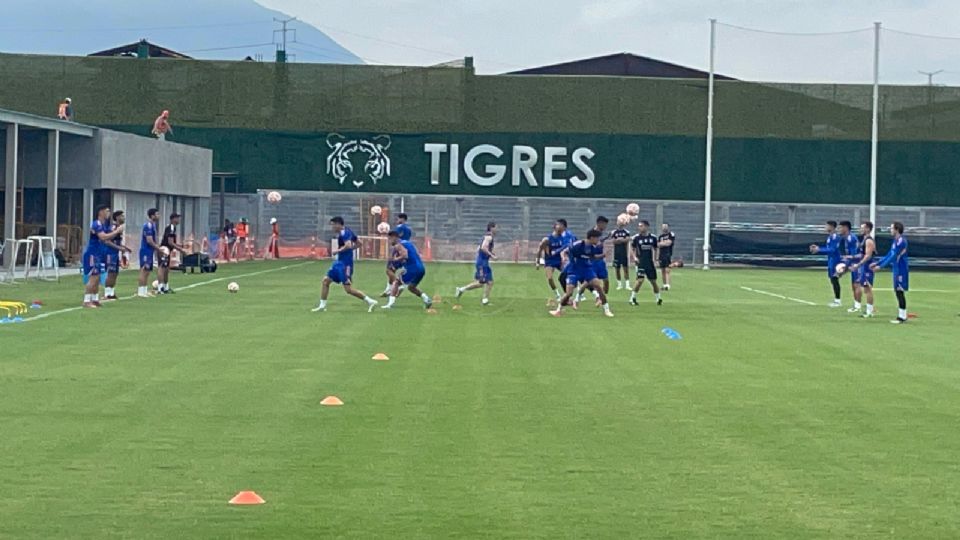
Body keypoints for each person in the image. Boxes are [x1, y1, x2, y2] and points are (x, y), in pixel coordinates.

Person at [313, 217, 378, 312]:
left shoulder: (344, 233)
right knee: (326, 281)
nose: (332, 227)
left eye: (333, 225)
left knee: (348, 289)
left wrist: (338, 251)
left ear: (338, 224)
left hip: (345, 265)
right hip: (339, 263)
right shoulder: (348, 231)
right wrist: (350, 250)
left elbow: (348, 245)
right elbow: (359, 243)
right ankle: (322, 306)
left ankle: (370, 301)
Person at [549, 229, 613, 318]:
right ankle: (558, 310)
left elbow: (593, 257)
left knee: (599, 287)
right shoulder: (577, 245)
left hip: (587, 270)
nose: (598, 240)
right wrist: (565, 259)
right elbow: (565, 251)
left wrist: (604, 255)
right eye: (597, 238)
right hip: (574, 270)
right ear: (592, 238)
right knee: (569, 293)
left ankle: (607, 310)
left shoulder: (592, 247)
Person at [81, 205, 123, 308]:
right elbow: (103, 237)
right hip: (93, 253)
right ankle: (86, 300)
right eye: (107, 211)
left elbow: (107, 239)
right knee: (93, 277)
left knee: (98, 277)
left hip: (99, 254)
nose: (109, 213)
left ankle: (95, 299)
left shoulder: (103, 225)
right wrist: (116, 231)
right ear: (101, 212)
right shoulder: (97, 223)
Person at [382, 230, 433, 310]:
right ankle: (427, 299)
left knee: (396, 283)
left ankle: (389, 305)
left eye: (390, 239)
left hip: (412, 269)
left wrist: (395, 259)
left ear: (394, 237)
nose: (389, 241)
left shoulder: (398, 245)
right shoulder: (408, 243)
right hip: (421, 268)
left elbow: (405, 255)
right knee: (411, 287)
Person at [871, 221, 910, 324]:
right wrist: (877, 263)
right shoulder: (895, 241)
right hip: (896, 269)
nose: (890, 230)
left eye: (892, 228)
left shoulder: (901, 241)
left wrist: (880, 266)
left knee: (900, 291)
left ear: (897, 229)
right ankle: (902, 315)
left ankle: (902, 317)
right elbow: (889, 254)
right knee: (897, 291)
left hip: (901, 269)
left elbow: (893, 256)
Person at [456, 222, 498, 305]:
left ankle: (485, 300)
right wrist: (491, 256)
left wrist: (488, 254)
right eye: (496, 227)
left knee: (490, 282)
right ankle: (461, 289)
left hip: (484, 262)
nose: (497, 229)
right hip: (482, 263)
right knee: (481, 283)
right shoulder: (489, 237)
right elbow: (483, 247)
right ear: (491, 228)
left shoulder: (487, 237)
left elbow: (479, 248)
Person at [630, 220, 663, 306]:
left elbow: (656, 248)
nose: (639, 228)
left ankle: (658, 298)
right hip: (641, 262)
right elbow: (632, 248)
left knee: (653, 281)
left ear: (647, 227)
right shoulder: (636, 238)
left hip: (650, 262)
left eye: (641, 226)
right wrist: (634, 257)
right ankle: (632, 298)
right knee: (640, 280)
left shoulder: (653, 238)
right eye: (639, 226)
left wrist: (656, 260)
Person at [809, 220, 842, 307]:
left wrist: (819, 249)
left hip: (836, 260)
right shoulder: (830, 237)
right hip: (831, 260)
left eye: (827, 226)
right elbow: (828, 249)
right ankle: (836, 300)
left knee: (834, 279)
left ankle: (838, 301)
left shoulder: (835, 237)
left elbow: (833, 249)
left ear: (832, 227)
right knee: (832, 279)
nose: (825, 228)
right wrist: (818, 249)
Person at [538, 219, 572, 301]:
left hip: (559, 260)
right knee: (549, 278)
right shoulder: (548, 239)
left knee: (568, 274)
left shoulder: (563, 238)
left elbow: (566, 247)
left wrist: (565, 257)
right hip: (549, 261)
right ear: (555, 227)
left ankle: (569, 294)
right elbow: (540, 249)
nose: (560, 228)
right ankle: (557, 295)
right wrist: (537, 261)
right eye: (558, 225)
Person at [847, 221, 877, 318]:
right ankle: (868, 310)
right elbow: (862, 254)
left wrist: (858, 265)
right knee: (865, 288)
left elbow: (868, 256)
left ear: (868, 229)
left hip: (868, 267)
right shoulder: (864, 240)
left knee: (868, 288)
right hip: (864, 266)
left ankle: (869, 311)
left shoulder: (868, 240)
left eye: (862, 227)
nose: (860, 229)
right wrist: (852, 257)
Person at [102, 210, 132, 301]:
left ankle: (112, 293)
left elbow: (117, 242)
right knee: (111, 273)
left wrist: (125, 248)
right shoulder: (113, 228)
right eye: (122, 216)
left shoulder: (119, 228)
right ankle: (107, 293)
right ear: (117, 217)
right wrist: (119, 248)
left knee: (115, 273)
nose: (124, 218)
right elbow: (107, 241)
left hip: (115, 253)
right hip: (110, 253)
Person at [383, 213, 413, 296]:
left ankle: (399, 285)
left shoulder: (399, 227)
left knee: (389, 270)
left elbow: (395, 237)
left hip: (397, 250)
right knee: (392, 270)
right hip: (404, 250)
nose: (397, 220)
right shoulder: (409, 229)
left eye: (398, 219)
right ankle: (388, 289)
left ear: (402, 219)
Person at [137, 208, 163, 298]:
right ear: (152, 216)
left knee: (147, 271)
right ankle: (140, 291)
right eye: (157, 214)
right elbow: (149, 240)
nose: (159, 216)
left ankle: (144, 290)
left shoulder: (153, 225)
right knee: (144, 270)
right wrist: (158, 249)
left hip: (150, 251)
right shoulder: (148, 225)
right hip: (146, 250)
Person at [158, 213, 185, 294]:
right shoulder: (171, 227)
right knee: (162, 268)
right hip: (164, 249)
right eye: (177, 218)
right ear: (173, 219)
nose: (179, 220)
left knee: (166, 269)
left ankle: (165, 287)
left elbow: (171, 242)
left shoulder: (173, 228)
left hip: (167, 250)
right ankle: (160, 288)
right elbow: (170, 242)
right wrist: (181, 250)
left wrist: (180, 246)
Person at [836, 220, 861, 312]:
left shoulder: (851, 238)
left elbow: (853, 255)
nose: (839, 230)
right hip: (854, 263)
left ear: (845, 228)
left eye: (840, 227)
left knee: (857, 284)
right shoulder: (847, 238)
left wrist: (845, 268)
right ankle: (856, 305)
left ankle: (858, 306)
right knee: (854, 285)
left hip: (858, 263)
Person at [611, 220, 632, 290]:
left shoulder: (626, 232)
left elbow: (627, 240)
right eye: (619, 222)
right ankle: (619, 284)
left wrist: (619, 240)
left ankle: (627, 285)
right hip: (616, 253)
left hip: (624, 253)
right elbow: (613, 241)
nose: (620, 223)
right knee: (617, 269)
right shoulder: (614, 232)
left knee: (625, 269)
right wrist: (622, 240)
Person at [657, 223, 676, 290]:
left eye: (665, 226)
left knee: (667, 270)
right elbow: (658, 245)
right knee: (662, 270)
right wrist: (663, 243)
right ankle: (664, 285)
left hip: (668, 254)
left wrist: (662, 243)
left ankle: (668, 285)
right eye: (663, 226)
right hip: (661, 255)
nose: (664, 227)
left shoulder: (671, 234)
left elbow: (669, 243)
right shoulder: (660, 236)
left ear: (668, 227)